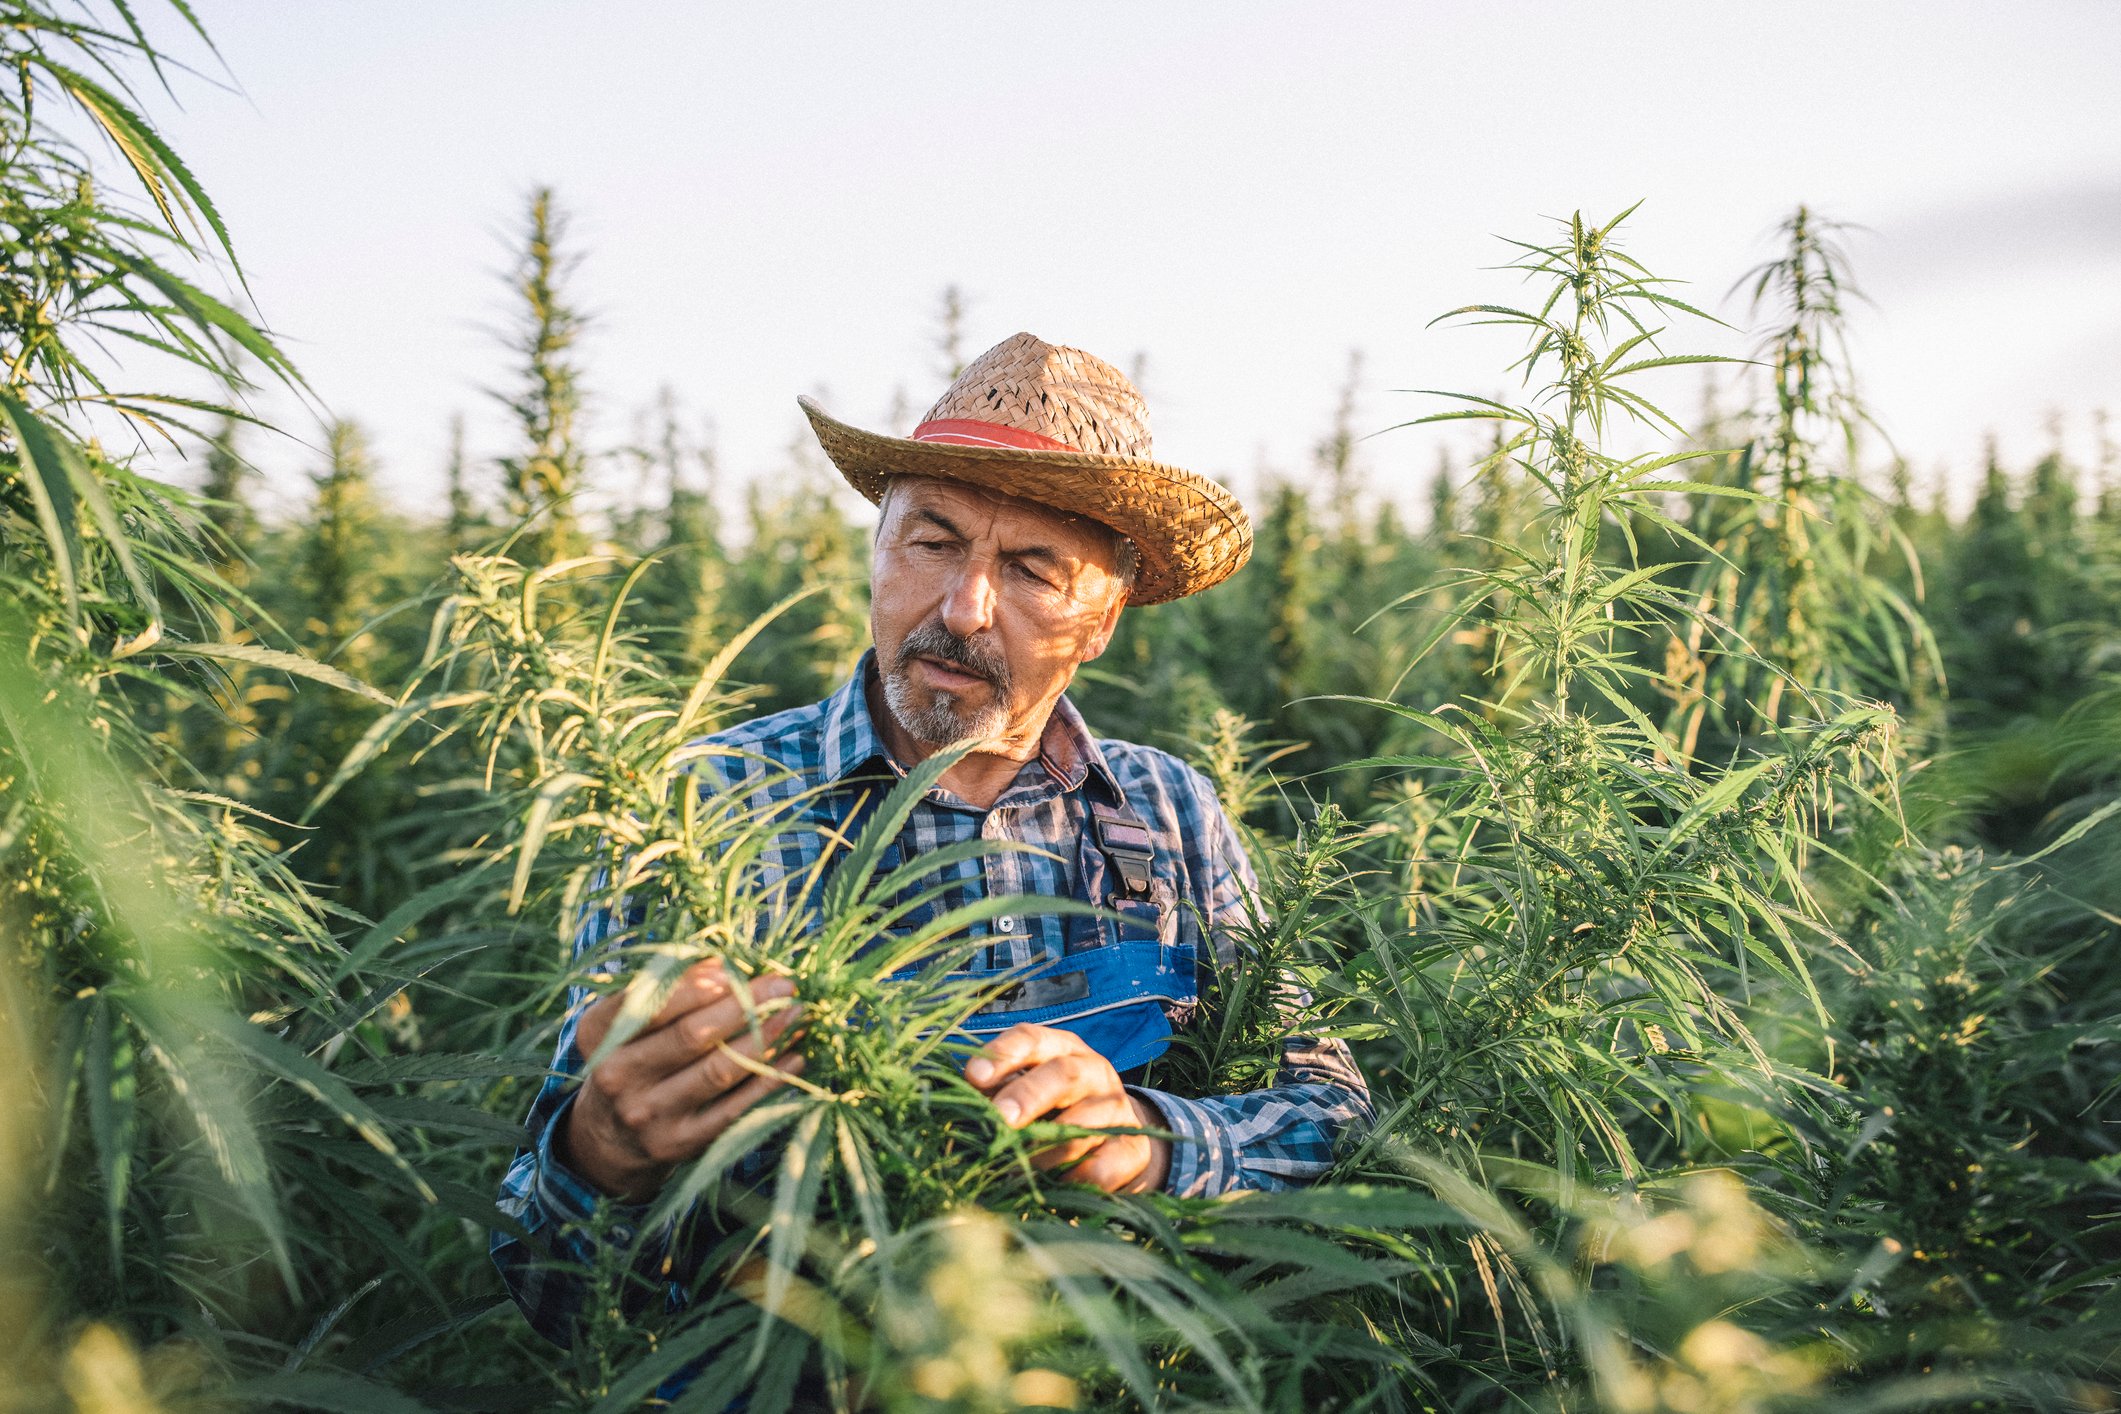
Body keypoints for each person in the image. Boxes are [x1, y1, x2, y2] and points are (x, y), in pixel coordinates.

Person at [493, 332, 1371, 1344]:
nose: (962, 608)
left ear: (1103, 621)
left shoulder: (1169, 812)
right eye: (934, 542)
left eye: (1033, 567)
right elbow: (547, 1290)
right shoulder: (705, 806)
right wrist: (600, 1153)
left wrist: (1152, 1139)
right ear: (877, 547)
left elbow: (1334, 1113)